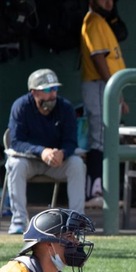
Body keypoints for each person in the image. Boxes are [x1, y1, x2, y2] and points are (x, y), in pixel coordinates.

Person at [6, 69, 86, 235]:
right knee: (14, 163)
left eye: (55, 89)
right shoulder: (21, 106)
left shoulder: (65, 107)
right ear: (34, 92)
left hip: (57, 162)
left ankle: (76, 222)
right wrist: (41, 151)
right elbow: (16, 142)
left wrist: (63, 153)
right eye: (47, 90)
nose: (52, 94)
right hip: (29, 161)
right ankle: (19, 221)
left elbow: (71, 141)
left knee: (77, 164)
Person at [80, 0, 128, 209]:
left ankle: (101, 190)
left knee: (107, 138)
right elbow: (98, 57)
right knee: (100, 137)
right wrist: (112, 87)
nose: (108, 3)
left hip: (106, 86)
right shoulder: (93, 20)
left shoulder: (103, 21)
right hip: (99, 85)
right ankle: (94, 191)